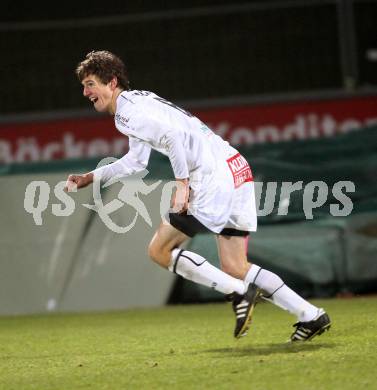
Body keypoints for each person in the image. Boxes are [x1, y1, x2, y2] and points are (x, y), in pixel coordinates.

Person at [65, 50, 331, 342]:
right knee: (235, 266)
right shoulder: (136, 104)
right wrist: (92, 177)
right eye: (84, 85)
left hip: (210, 177)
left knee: (159, 251)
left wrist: (183, 185)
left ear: (112, 82)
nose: (85, 91)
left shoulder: (129, 111)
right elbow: (136, 162)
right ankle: (311, 315)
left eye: (90, 83)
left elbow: (173, 138)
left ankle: (237, 292)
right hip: (234, 166)